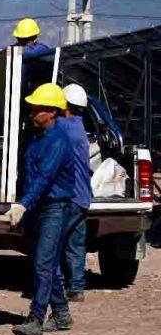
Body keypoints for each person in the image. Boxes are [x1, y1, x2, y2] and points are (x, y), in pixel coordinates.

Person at [5, 83, 88, 335]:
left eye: (37, 109)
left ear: (52, 112)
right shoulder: (36, 139)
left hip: (55, 208)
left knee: (43, 263)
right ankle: (61, 314)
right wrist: (24, 203)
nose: (32, 112)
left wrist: (23, 204)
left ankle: (36, 319)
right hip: (39, 208)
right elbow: (28, 176)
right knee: (46, 263)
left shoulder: (57, 141)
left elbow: (45, 177)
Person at [60, 83, 94, 302]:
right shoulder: (80, 128)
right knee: (75, 243)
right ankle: (77, 288)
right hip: (82, 196)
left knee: (55, 241)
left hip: (68, 196)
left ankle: (59, 285)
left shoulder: (62, 127)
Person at [0, 17, 56, 94]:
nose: (22, 42)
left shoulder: (41, 49)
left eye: (26, 39)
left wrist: (4, 52)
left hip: (38, 93)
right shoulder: (16, 49)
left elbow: (26, 53)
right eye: (20, 39)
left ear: (34, 37)